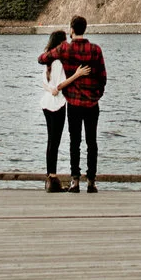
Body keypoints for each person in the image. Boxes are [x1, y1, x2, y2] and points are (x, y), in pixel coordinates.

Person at [35, 14, 107, 192]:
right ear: (85, 28)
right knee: (92, 142)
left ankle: (75, 180)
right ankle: (91, 181)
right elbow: (102, 78)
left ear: (72, 29)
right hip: (92, 103)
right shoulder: (96, 50)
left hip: (74, 102)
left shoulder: (65, 49)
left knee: (75, 142)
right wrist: (96, 95)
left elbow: (42, 59)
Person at [37, 28, 86, 189]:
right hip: (57, 103)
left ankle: (50, 177)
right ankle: (52, 178)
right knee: (55, 141)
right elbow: (61, 84)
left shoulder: (48, 60)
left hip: (46, 102)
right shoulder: (59, 62)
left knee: (50, 140)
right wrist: (77, 75)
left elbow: (43, 82)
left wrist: (49, 89)